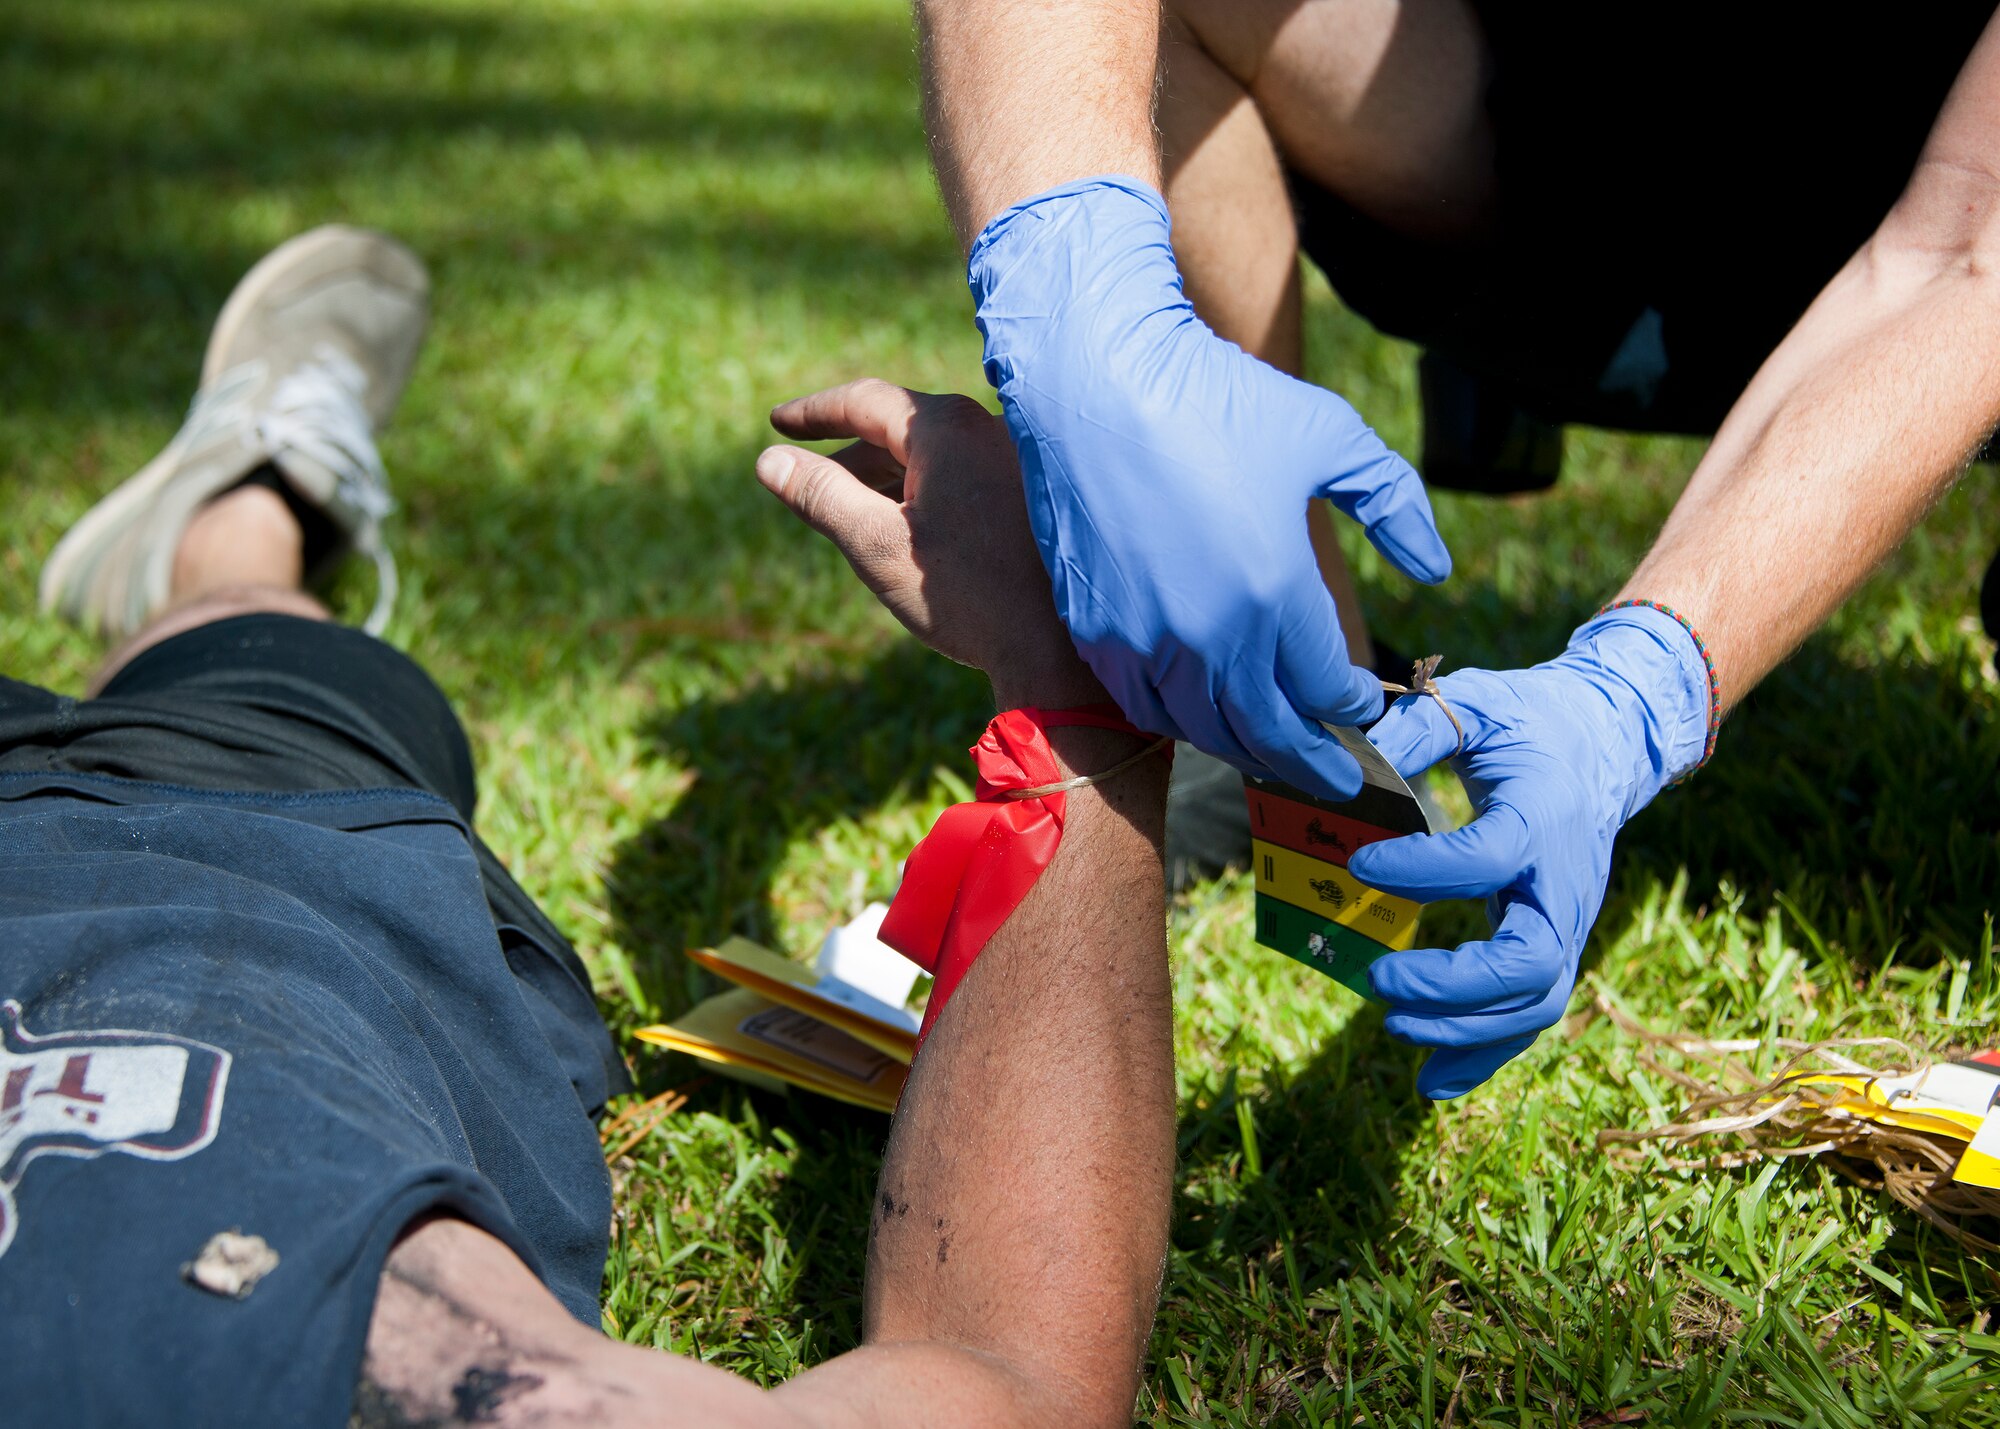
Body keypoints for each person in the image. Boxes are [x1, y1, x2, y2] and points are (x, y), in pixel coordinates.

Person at [5, 228, 1177, 1426]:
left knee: (265, 652)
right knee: (276, 647)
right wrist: (1057, 677)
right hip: (257, 843)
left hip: (188, 831)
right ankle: (248, 510)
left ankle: (242, 504)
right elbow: (1008, 1380)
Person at [915, 0, 2000, 1096]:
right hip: (1603, 175)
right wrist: (1084, 324)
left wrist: (1632, 690)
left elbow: (1962, 249)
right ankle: (1308, 710)